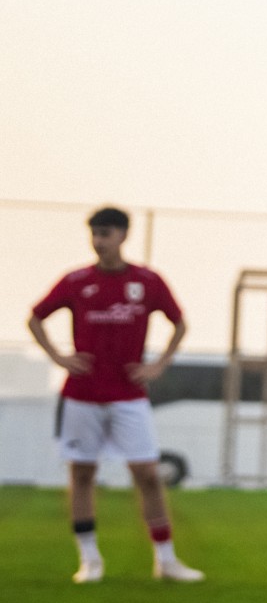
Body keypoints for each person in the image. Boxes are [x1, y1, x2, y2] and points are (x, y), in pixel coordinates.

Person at [27, 207, 201, 583]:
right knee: (83, 474)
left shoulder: (147, 281)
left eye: (106, 233)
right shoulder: (76, 281)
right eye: (95, 234)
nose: (99, 241)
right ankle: (89, 560)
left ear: (123, 235)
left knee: (148, 475)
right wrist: (58, 356)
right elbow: (36, 316)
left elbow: (179, 322)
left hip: (129, 396)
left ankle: (166, 560)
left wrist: (159, 365)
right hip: (82, 395)